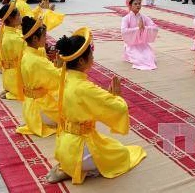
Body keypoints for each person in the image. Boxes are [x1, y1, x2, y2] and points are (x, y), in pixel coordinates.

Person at [46, 27, 146, 184]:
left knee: (110, 144)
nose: (93, 57)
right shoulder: (84, 88)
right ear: (81, 61)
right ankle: (77, 169)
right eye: (91, 54)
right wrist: (117, 97)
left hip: (63, 144)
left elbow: (88, 103)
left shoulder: (63, 77)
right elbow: (119, 108)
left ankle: (67, 165)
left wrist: (105, 98)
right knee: (122, 155)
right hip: (80, 148)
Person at [16, 16, 60, 137]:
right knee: (72, 110)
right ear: (35, 38)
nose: (46, 39)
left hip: (29, 107)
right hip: (40, 110)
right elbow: (59, 78)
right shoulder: (37, 61)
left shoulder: (26, 53)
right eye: (44, 36)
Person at [0, 1, 23, 100]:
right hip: (15, 76)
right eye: (18, 15)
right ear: (10, 18)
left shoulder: (6, 30)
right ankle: (12, 92)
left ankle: (9, 89)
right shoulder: (14, 38)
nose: (21, 17)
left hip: (7, 76)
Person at [121, 0, 158, 70]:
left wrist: (145, 28)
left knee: (151, 58)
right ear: (130, 6)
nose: (138, 5)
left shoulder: (143, 17)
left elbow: (154, 27)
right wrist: (138, 29)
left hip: (142, 43)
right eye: (135, 4)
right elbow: (124, 31)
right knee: (139, 59)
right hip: (131, 45)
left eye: (139, 3)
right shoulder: (126, 18)